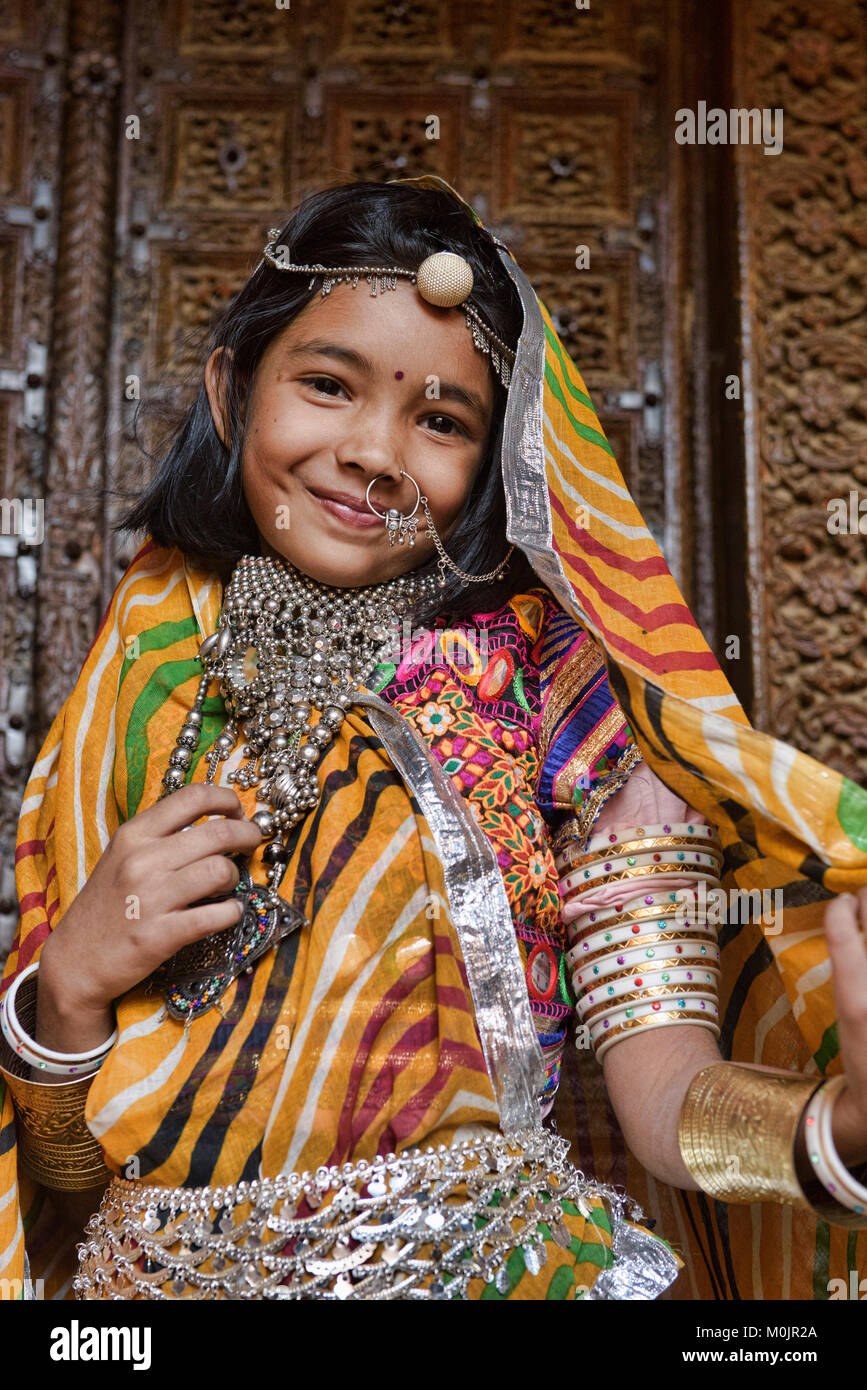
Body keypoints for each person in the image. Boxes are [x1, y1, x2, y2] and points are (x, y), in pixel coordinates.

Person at [1, 175, 865, 1302]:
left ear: (500, 467)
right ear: (229, 391)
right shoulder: (142, 671)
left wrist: (834, 1130)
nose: (375, 452)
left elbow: (664, 1102)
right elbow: (66, 1179)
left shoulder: (568, 700)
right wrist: (63, 989)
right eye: (326, 384)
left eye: (442, 419)